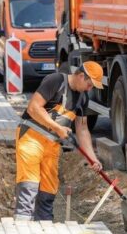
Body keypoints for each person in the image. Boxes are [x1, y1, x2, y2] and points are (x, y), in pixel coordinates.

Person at [14, 61, 104, 221]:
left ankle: (44, 224)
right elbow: (34, 108)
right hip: (31, 137)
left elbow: (82, 130)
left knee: (49, 189)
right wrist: (57, 128)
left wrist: (92, 158)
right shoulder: (55, 81)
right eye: (89, 85)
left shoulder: (83, 98)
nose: (90, 89)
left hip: (52, 144)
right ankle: (22, 225)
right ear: (81, 76)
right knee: (30, 184)